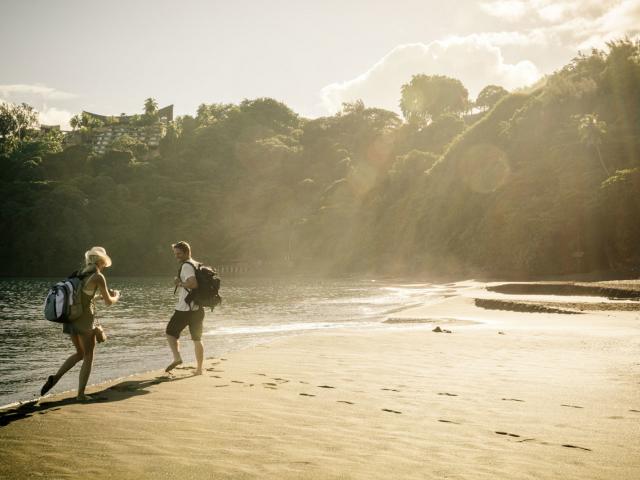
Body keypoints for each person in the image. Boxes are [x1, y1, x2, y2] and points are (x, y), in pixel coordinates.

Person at [40, 247, 121, 401]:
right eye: (104, 262)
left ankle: (55, 378)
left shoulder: (79, 274)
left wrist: (98, 297)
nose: (104, 265)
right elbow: (109, 302)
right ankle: (81, 395)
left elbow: (83, 298)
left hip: (71, 319)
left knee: (79, 353)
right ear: (101, 261)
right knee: (88, 356)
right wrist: (116, 296)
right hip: (85, 321)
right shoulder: (98, 277)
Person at [165, 241, 205, 375]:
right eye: (175, 254)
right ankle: (199, 369)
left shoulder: (186, 266)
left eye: (179, 253)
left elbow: (193, 284)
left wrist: (179, 283)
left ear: (187, 252)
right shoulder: (197, 264)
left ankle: (177, 358)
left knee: (170, 332)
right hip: (198, 308)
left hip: (185, 309)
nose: (177, 256)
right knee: (197, 339)